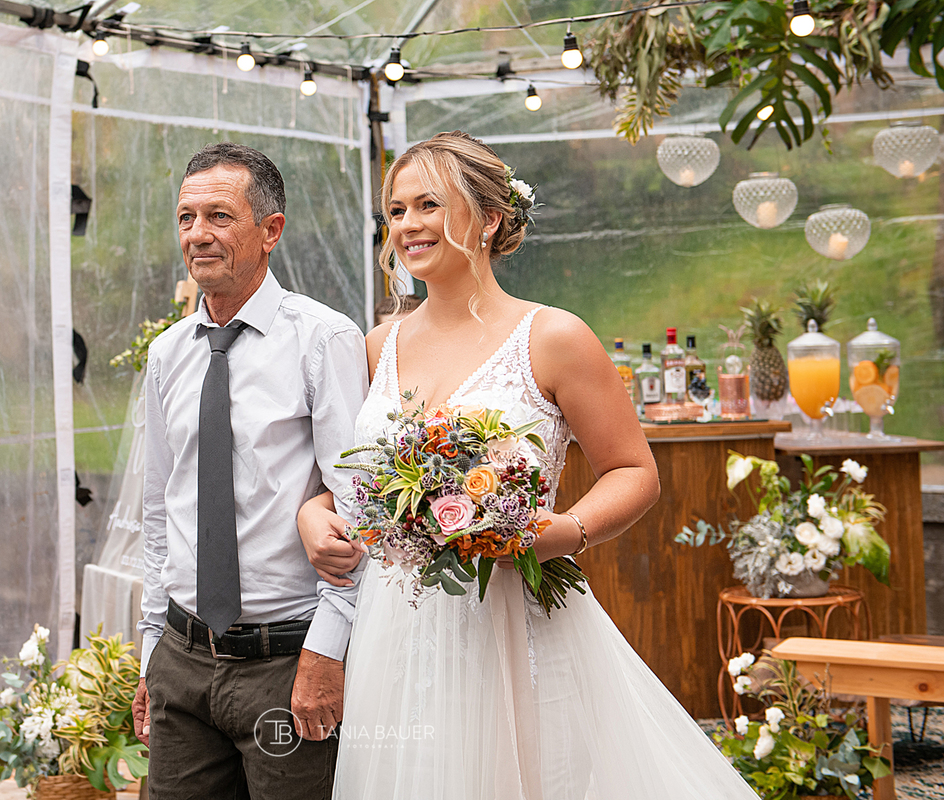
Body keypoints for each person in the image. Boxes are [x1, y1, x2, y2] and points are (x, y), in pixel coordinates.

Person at [299, 131, 762, 799]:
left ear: (489, 218)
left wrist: (564, 532)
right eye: (396, 211)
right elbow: (342, 482)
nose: (407, 225)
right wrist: (314, 517)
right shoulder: (377, 346)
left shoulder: (553, 337)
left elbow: (635, 471)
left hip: (516, 621)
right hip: (396, 630)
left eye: (428, 204)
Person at [129, 142, 368, 799]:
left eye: (218, 217)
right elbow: (161, 511)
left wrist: (326, 652)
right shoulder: (168, 353)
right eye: (185, 217)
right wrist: (153, 648)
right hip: (182, 657)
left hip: (285, 662)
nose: (197, 234)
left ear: (271, 231)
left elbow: (361, 511)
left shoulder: (323, 341)